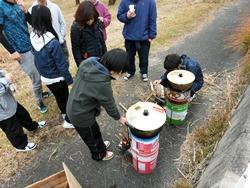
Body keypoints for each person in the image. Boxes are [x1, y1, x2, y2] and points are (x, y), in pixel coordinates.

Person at [66, 48, 128, 161]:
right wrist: (119, 118)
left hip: (75, 104)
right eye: (121, 71)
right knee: (91, 137)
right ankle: (99, 154)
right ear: (114, 71)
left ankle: (100, 145)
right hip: (81, 114)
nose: (120, 74)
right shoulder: (102, 83)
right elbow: (109, 104)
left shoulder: (89, 62)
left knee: (94, 131)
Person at [0, 0, 49, 113]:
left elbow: (32, 22)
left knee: (40, 71)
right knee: (35, 76)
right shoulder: (1, 6)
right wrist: (12, 51)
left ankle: (41, 93)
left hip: (31, 43)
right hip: (20, 50)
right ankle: (39, 101)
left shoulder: (17, 3)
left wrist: (25, 11)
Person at [30, 5, 74, 129]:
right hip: (58, 78)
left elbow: (34, 55)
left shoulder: (33, 37)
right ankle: (69, 121)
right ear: (47, 19)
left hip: (46, 78)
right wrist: (69, 80)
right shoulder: (52, 42)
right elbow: (61, 64)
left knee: (59, 97)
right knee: (67, 98)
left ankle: (64, 114)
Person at [0, 70, 46, 152]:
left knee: (23, 114)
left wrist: (5, 73)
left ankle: (32, 126)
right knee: (13, 128)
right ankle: (21, 145)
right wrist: (6, 80)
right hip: (2, 112)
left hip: (9, 102)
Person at [117, 0, 157, 82]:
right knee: (129, 57)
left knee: (144, 57)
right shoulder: (124, 1)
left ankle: (144, 72)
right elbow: (119, 16)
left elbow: (153, 18)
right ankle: (130, 71)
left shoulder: (150, 2)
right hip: (129, 36)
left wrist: (152, 35)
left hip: (144, 37)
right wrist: (127, 16)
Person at [70, 1, 107, 67]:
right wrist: (81, 66)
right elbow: (76, 50)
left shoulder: (97, 22)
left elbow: (102, 42)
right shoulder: (76, 28)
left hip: (101, 59)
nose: (90, 22)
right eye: (87, 20)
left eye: (92, 19)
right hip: (87, 63)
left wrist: (106, 57)